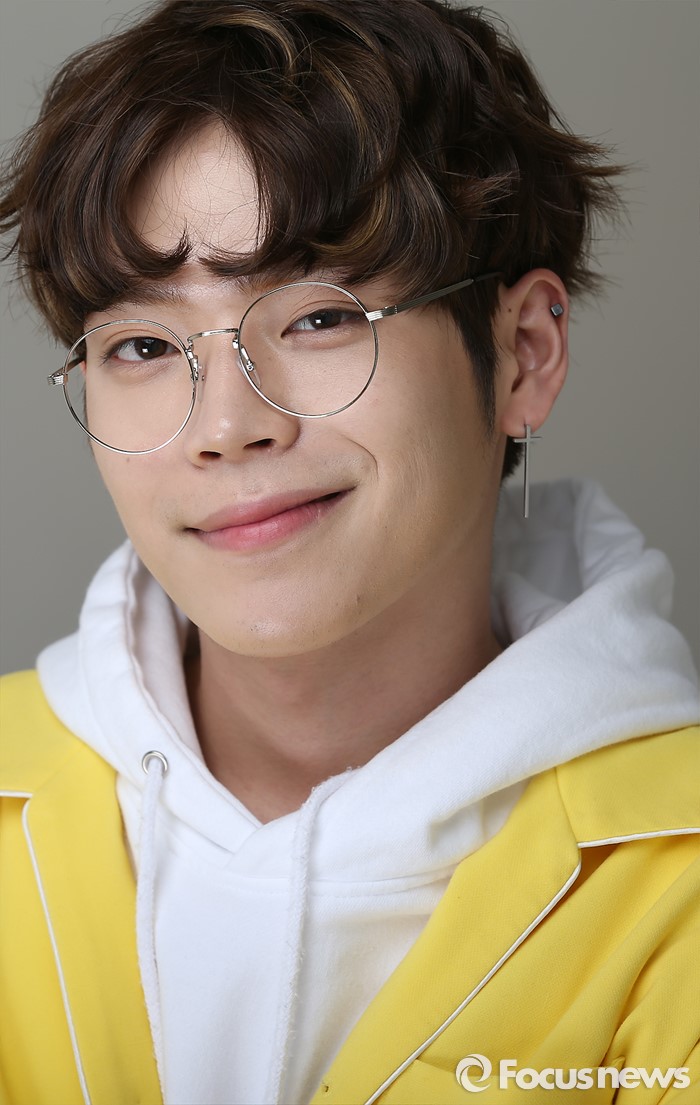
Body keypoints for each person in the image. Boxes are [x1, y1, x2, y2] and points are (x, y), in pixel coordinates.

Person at [0, 1, 698, 1103]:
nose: (225, 424)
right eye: (140, 344)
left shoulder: (677, 878)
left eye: (319, 317)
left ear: (523, 354)